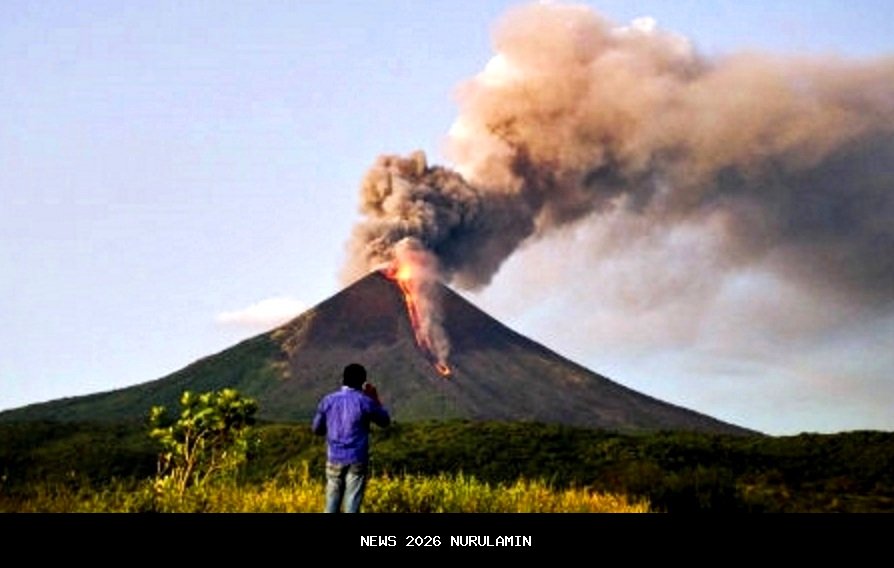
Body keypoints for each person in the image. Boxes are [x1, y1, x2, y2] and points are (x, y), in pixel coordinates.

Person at [311, 363, 391, 513]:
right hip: (357, 458)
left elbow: (316, 429)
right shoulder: (365, 401)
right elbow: (384, 421)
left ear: (343, 380)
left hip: (334, 457)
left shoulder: (328, 400)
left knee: (331, 503)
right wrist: (375, 397)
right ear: (363, 382)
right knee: (352, 504)